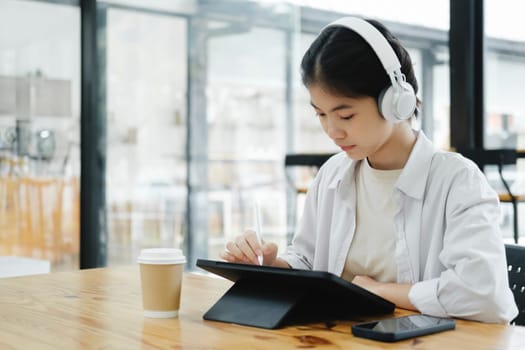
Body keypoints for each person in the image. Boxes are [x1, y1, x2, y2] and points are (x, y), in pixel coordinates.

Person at [220, 16, 518, 324]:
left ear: (396, 101)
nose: (332, 131)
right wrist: (271, 265)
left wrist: (378, 291)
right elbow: (309, 262)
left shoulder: (458, 182)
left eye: (345, 115)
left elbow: (482, 296)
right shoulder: (333, 175)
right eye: (321, 114)